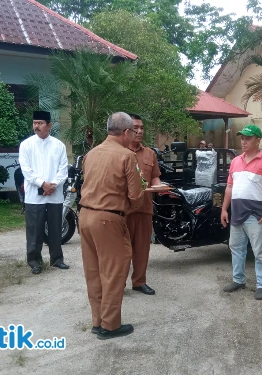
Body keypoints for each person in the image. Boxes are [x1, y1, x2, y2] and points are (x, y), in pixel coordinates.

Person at [79, 112, 147, 340]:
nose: (135, 135)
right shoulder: (127, 156)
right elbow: (137, 196)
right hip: (108, 219)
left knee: (94, 272)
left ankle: (98, 321)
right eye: (133, 132)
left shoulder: (91, 154)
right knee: (114, 271)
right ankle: (110, 325)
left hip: (85, 216)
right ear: (126, 132)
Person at [220, 125, 262, 300]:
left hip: (256, 215)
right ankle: (238, 280)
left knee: (260, 251)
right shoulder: (236, 161)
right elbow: (229, 187)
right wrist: (224, 209)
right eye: (242, 138)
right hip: (237, 213)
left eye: (248, 138)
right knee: (236, 248)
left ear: (257, 140)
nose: (243, 141)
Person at [18, 111, 69, 275]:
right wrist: (42, 184)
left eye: (40, 123)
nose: (36, 126)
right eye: (35, 123)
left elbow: (63, 170)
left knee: (55, 229)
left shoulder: (58, 145)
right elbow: (26, 169)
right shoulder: (26, 145)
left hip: (54, 195)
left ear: (49, 125)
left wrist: (52, 185)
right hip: (34, 195)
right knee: (34, 230)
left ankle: (57, 259)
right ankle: (34, 261)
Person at [126, 113, 161, 295]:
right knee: (121, 251)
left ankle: (139, 281)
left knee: (142, 249)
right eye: (135, 128)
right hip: (123, 211)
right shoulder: (119, 152)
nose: (139, 131)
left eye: (141, 128)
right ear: (126, 130)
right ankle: (118, 284)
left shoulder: (150, 153)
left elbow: (154, 177)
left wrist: (159, 186)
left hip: (144, 208)